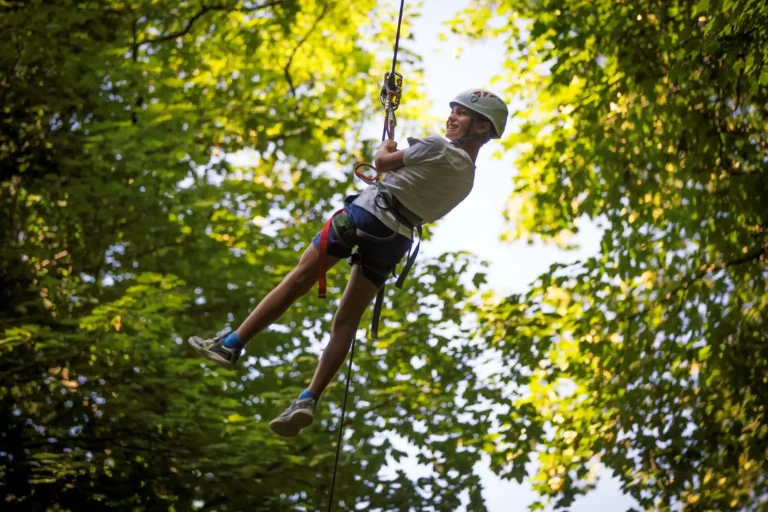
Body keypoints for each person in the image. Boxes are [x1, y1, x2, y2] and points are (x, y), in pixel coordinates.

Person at [188, 89, 508, 437]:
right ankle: (309, 397)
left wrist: (383, 149)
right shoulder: (467, 180)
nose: (452, 117)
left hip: (366, 215)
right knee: (347, 320)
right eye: (454, 110)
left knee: (299, 279)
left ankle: (231, 344)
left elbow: (383, 163)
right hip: (395, 240)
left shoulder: (436, 146)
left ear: (480, 129)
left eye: (462, 115)